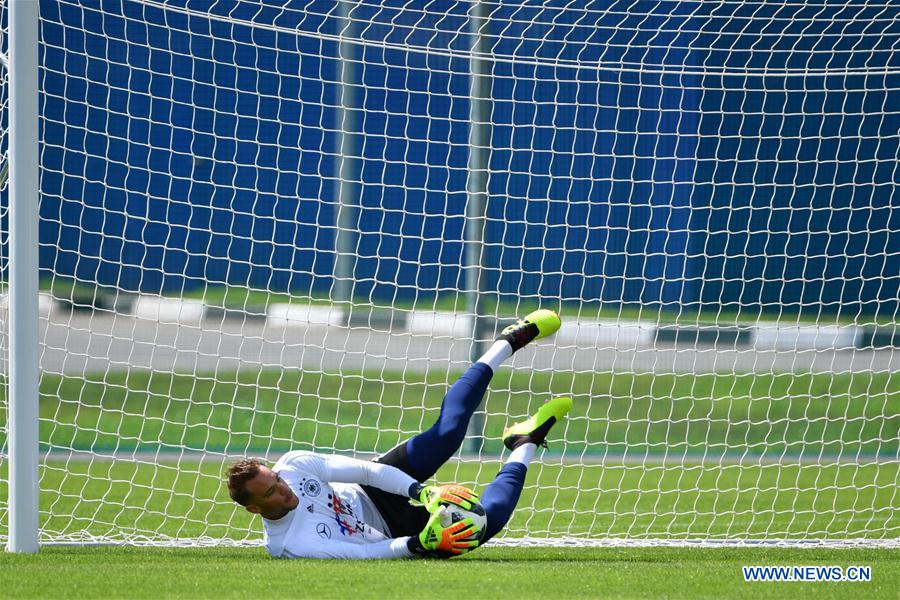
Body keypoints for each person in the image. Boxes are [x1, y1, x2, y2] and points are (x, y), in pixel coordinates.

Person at [226, 309, 572, 559]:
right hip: (392, 532)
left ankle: (507, 342)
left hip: (371, 489)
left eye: (277, 479)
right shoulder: (290, 545)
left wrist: (423, 493)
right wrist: (419, 543)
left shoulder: (294, 466)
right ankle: (525, 442)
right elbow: (366, 554)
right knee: (482, 524)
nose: (285, 488)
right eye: (272, 491)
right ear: (255, 510)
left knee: (448, 434)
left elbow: (365, 471)